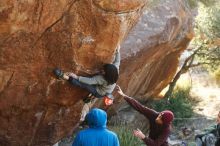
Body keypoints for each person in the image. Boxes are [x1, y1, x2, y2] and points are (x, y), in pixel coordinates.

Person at [54, 45, 120, 104]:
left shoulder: (102, 79)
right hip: (106, 89)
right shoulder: (115, 70)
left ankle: (65, 77)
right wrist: (118, 51)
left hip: (99, 92)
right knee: (92, 84)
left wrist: (77, 77)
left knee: (84, 85)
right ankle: (90, 97)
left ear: (107, 75)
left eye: (103, 71)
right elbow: (117, 61)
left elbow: (89, 81)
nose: (102, 70)